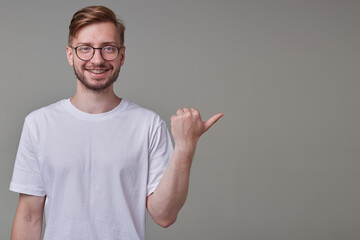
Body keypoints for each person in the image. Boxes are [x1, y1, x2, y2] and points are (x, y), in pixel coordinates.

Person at [9, 5, 223, 240]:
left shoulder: (147, 125)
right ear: (70, 55)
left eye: (108, 48)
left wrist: (185, 147)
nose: (97, 59)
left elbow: (164, 215)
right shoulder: (39, 124)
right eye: (85, 49)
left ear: (122, 55)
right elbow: (29, 217)